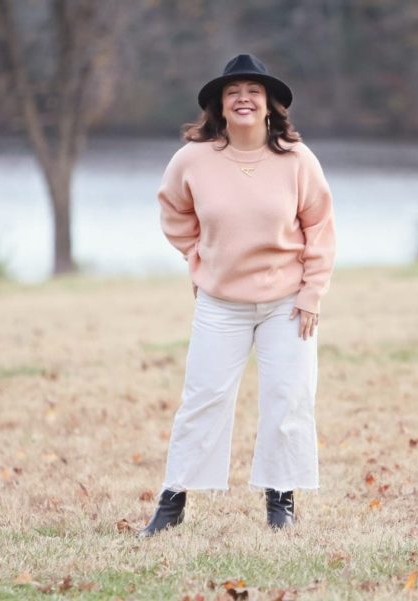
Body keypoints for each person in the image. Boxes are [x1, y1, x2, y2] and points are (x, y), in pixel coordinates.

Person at [138, 53, 336, 537]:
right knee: (203, 397)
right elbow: (173, 213)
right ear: (220, 107)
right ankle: (173, 498)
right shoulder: (193, 159)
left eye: (253, 91)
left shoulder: (297, 159)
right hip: (220, 304)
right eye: (233, 92)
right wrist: (198, 256)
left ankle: (280, 497)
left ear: (269, 105)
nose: (243, 98)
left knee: (288, 397)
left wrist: (312, 293)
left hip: (287, 303)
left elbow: (321, 229)